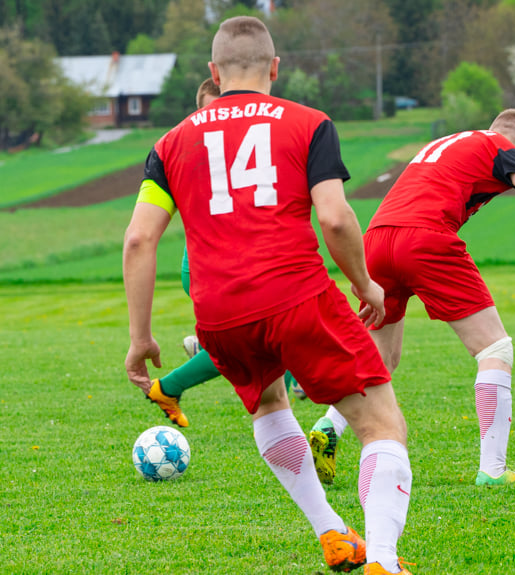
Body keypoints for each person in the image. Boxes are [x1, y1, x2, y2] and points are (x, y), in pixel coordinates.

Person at [123, 16, 413, 575]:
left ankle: (331, 532)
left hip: (220, 315)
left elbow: (139, 239)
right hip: (296, 295)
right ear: (275, 67)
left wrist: (141, 338)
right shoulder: (309, 124)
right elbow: (334, 218)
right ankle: (382, 562)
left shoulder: (170, 142)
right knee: (381, 424)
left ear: (214, 72)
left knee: (270, 404)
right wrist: (364, 283)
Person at [310, 108, 515, 487]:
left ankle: (328, 426)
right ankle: (493, 470)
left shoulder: (445, 143)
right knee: (495, 350)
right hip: (424, 238)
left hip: (375, 240)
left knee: (381, 359)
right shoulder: (503, 148)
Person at [145, 78, 303, 429]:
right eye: (210, 109)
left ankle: (291, 385)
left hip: (236, 266)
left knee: (271, 333)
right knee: (246, 345)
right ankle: (169, 385)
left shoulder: (249, 151)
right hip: (207, 266)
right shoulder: (196, 154)